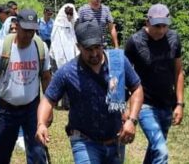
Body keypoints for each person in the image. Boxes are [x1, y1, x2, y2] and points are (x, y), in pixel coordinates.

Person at [37, 19, 144, 164]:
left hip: (116, 139)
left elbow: (136, 88)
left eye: (97, 47)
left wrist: (131, 120)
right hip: (84, 140)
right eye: (88, 49)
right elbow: (48, 99)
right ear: (78, 47)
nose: (94, 53)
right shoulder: (68, 72)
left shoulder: (118, 61)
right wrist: (41, 124)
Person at [0, 9, 51, 164]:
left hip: (32, 109)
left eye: (32, 30)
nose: (28, 34)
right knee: (2, 153)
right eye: (25, 30)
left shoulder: (41, 48)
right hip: (6, 110)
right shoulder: (2, 48)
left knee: (38, 153)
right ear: (17, 25)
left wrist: (48, 108)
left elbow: (46, 78)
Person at [125, 4, 185, 164]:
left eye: (164, 26)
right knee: (161, 151)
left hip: (167, 104)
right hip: (144, 104)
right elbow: (124, 75)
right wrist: (124, 108)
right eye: (157, 26)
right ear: (147, 22)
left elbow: (178, 71)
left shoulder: (174, 39)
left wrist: (180, 103)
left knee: (154, 151)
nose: (161, 30)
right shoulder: (135, 42)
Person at [49, 3, 78, 71]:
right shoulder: (57, 28)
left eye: (71, 14)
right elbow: (57, 48)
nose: (69, 16)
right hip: (56, 61)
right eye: (68, 13)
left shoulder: (71, 28)